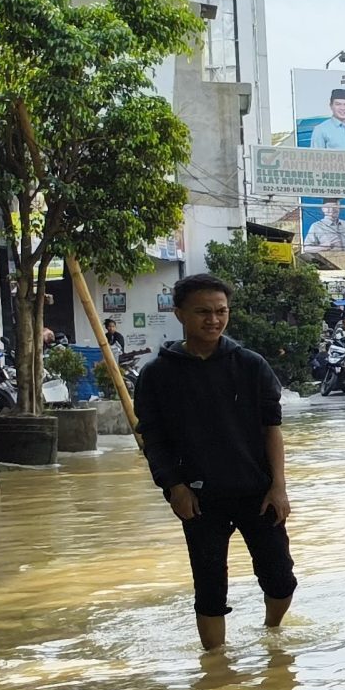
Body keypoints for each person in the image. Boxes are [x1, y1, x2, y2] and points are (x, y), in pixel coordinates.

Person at [135, 273, 296, 652]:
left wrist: (279, 486)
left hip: (257, 492)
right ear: (179, 315)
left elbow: (272, 428)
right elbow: (152, 439)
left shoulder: (251, 365)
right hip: (198, 497)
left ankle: (272, 634)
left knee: (280, 578)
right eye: (203, 312)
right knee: (209, 586)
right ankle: (216, 665)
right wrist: (173, 487)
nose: (213, 320)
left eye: (221, 311)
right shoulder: (157, 374)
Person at [310, 87, 345, 153]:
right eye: (338, 104)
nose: (342, 108)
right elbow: (316, 159)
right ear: (331, 106)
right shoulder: (320, 130)